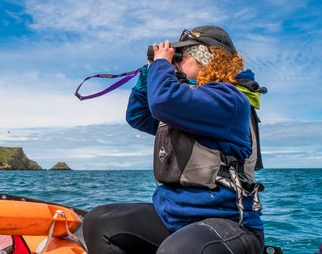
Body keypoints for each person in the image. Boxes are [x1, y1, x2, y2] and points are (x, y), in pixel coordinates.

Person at [83, 26, 267, 254]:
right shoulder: (187, 104)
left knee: (178, 250)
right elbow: (138, 116)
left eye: (182, 54)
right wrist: (145, 79)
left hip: (226, 222)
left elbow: (163, 102)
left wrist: (161, 65)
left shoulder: (230, 99)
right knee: (99, 222)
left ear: (207, 56)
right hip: (175, 216)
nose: (176, 61)